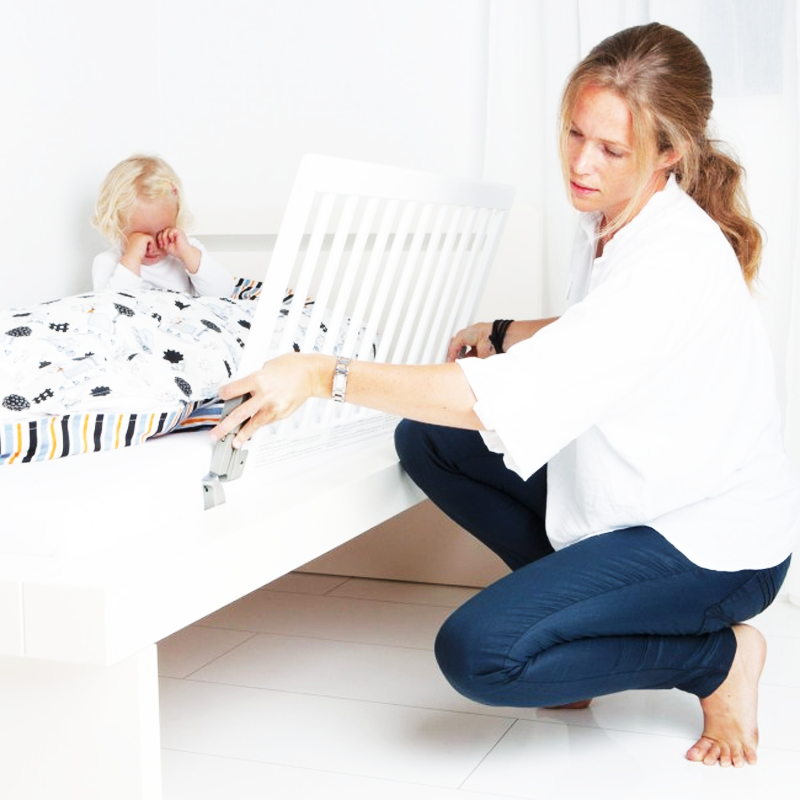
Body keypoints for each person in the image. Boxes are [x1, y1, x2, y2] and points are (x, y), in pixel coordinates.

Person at [210, 23, 798, 768]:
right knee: (429, 440)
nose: (581, 163)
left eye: (611, 149)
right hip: (638, 493)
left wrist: (322, 373)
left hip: (712, 541)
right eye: (575, 133)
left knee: (481, 653)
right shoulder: (615, 216)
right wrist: (505, 330)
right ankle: (579, 642)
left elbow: (499, 396)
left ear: (669, 153)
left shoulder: (673, 261)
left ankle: (719, 659)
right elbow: (598, 332)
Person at [91, 154, 234, 297]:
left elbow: (224, 293)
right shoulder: (108, 262)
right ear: (116, 225)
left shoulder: (186, 251)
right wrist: (132, 257)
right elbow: (110, 305)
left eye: (162, 232)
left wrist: (187, 253)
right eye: (141, 236)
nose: (153, 245)